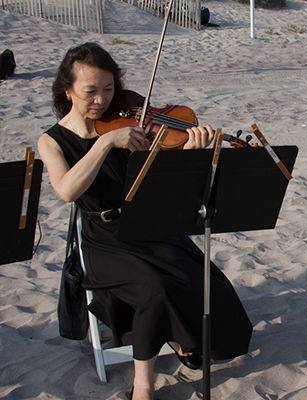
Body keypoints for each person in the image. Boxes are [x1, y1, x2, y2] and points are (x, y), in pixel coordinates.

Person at [38, 42, 253, 400]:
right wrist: (106, 143)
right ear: (68, 90)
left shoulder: (129, 124)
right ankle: (143, 386)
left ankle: (180, 336)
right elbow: (67, 190)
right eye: (91, 91)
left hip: (146, 224)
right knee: (155, 287)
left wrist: (186, 153)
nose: (102, 100)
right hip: (102, 239)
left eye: (109, 90)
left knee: (203, 278)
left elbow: (156, 187)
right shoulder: (52, 140)